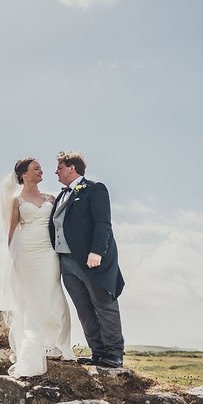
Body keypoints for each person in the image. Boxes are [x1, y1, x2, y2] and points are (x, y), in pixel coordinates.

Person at [0, 157, 76, 377]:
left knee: (53, 292)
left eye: (41, 168)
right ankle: (38, 343)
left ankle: (59, 343)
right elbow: (12, 232)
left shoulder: (51, 198)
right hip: (26, 252)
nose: (41, 171)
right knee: (32, 298)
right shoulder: (16, 200)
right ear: (23, 174)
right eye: (36, 168)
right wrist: (14, 260)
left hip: (48, 251)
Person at [49, 151, 125, 368]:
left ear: (72, 167)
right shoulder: (62, 195)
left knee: (104, 304)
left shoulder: (94, 189)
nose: (56, 172)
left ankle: (114, 353)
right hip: (66, 262)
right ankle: (98, 352)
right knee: (83, 309)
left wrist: (97, 252)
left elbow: (103, 223)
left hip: (91, 260)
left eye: (60, 167)